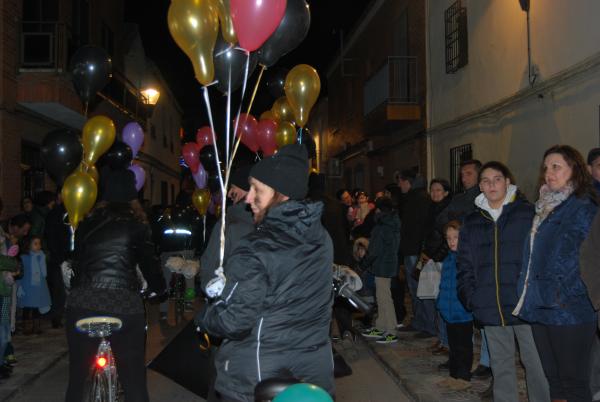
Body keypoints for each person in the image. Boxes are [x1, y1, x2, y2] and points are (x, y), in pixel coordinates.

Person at [196, 144, 335, 402]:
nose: (249, 199)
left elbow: (234, 322)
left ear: (280, 193)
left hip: (258, 378)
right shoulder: (321, 238)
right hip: (313, 376)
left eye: (257, 190)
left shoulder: (256, 247)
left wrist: (206, 316)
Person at [65, 169, 166, 402]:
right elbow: (150, 265)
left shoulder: (85, 223)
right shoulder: (138, 225)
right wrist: (159, 289)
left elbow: (77, 262)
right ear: (132, 195)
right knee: (134, 380)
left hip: (82, 303)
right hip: (124, 304)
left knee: (77, 379)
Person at [458, 161, 549, 402]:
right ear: (480, 187)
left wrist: (536, 294)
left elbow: (540, 257)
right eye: (486, 181)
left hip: (524, 306)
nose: (492, 185)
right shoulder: (471, 221)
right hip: (490, 305)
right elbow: (464, 263)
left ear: (508, 182)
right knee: (501, 367)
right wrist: (471, 296)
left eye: (497, 179)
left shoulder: (527, 213)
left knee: (536, 365)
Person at [514, 145, 598, 402]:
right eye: (546, 168)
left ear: (574, 170)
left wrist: (575, 292)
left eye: (556, 167)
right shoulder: (543, 208)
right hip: (540, 304)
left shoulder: (585, 207)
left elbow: (590, 256)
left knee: (574, 381)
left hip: (570, 307)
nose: (549, 173)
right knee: (554, 380)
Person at [436, 220, 473, 391]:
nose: (451, 241)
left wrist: (468, 305)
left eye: (455, 237)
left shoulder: (467, 257)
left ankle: (464, 377)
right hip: (449, 312)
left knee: (464, 346)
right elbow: (444, 284)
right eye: (448, 238)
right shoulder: (448, 259)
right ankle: (453, 375)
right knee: (453, 346)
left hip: (463, 312)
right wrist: (441, 304)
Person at [360, 196, 401, 344]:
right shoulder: (391, 222)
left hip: (383, 265)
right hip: (386, 264)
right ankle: (381, 325)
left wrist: (363, 264)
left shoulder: (383, 225)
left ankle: (391, 330)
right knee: (381, 296)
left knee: (384, 298)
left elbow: (374, 250)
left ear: (379, 209)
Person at [397, 169, 433, 338]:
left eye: (401, 181)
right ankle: (421, 322)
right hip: (412, 250)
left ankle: (425, 324)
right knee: (416, 289)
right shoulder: (416, 198)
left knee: (420, 289)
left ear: (407, 182)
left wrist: (418, 251)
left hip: (415, 251)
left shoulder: (417, 199)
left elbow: (417, 227)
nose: (399, 185)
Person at [422, 178, 452, 355]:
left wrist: (435, 258)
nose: (434, 193)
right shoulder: (432, 209)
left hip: (441, 261)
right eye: (432, 190)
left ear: (446, 192)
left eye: (438, 190)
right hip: (431, 258)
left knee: (442, 302)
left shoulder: (447, 211)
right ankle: (441, 339)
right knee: (435, 300)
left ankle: (446, 342)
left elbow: (447, 240)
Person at [17, 235, 51, 335]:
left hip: (39, 287)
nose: (38, 246)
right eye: (35, 243)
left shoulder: (41, 256)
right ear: (28, 245)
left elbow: (44, 274)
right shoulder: (24, 258)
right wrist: (19, 286)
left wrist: (42, 260)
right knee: (27, 308)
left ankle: (36, 327)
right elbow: (20, 273)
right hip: (27, 286)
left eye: (39, 243)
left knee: (37, 306)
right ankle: (26, 327)